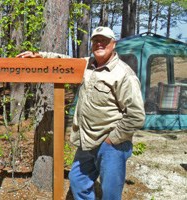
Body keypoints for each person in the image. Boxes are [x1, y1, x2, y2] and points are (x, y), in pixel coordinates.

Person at [17, 26, 145, 199]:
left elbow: (136, 115)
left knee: (111, 193)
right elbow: (65, 62)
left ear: (113, 44)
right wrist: (41, 56)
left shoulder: (123, 74)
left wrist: (111, 139)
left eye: (104, 41)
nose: (99, 44)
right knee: (77, 180)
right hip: (87, 140)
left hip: (111, 144)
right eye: (96, 40)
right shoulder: (88, 65)